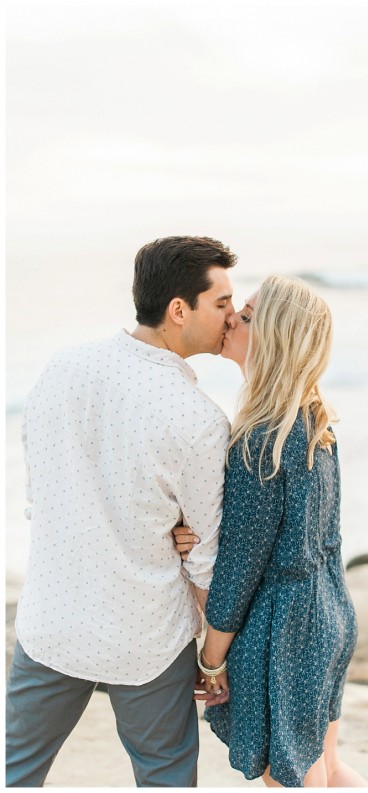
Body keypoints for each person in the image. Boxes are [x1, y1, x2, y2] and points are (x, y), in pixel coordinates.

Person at [6, 235, 237, 787]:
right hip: (147, 637)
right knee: (165, 777)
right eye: (222, 304)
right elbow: (207, 555)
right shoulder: (199, 419)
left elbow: (42, 483)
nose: (231, 318)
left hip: (53, 620)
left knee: (13, 773)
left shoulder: (63, 368)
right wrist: (213, 658)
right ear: (179, 310)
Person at [175, 275, 368, 788]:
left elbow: (241, 567)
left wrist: (211, 657)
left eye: (250, 313)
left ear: (276, 336)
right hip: (331, 616)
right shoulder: (314, 422)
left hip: (287, 634)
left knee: (290, 779)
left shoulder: (261, 439)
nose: (232, 317)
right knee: (326, 768)